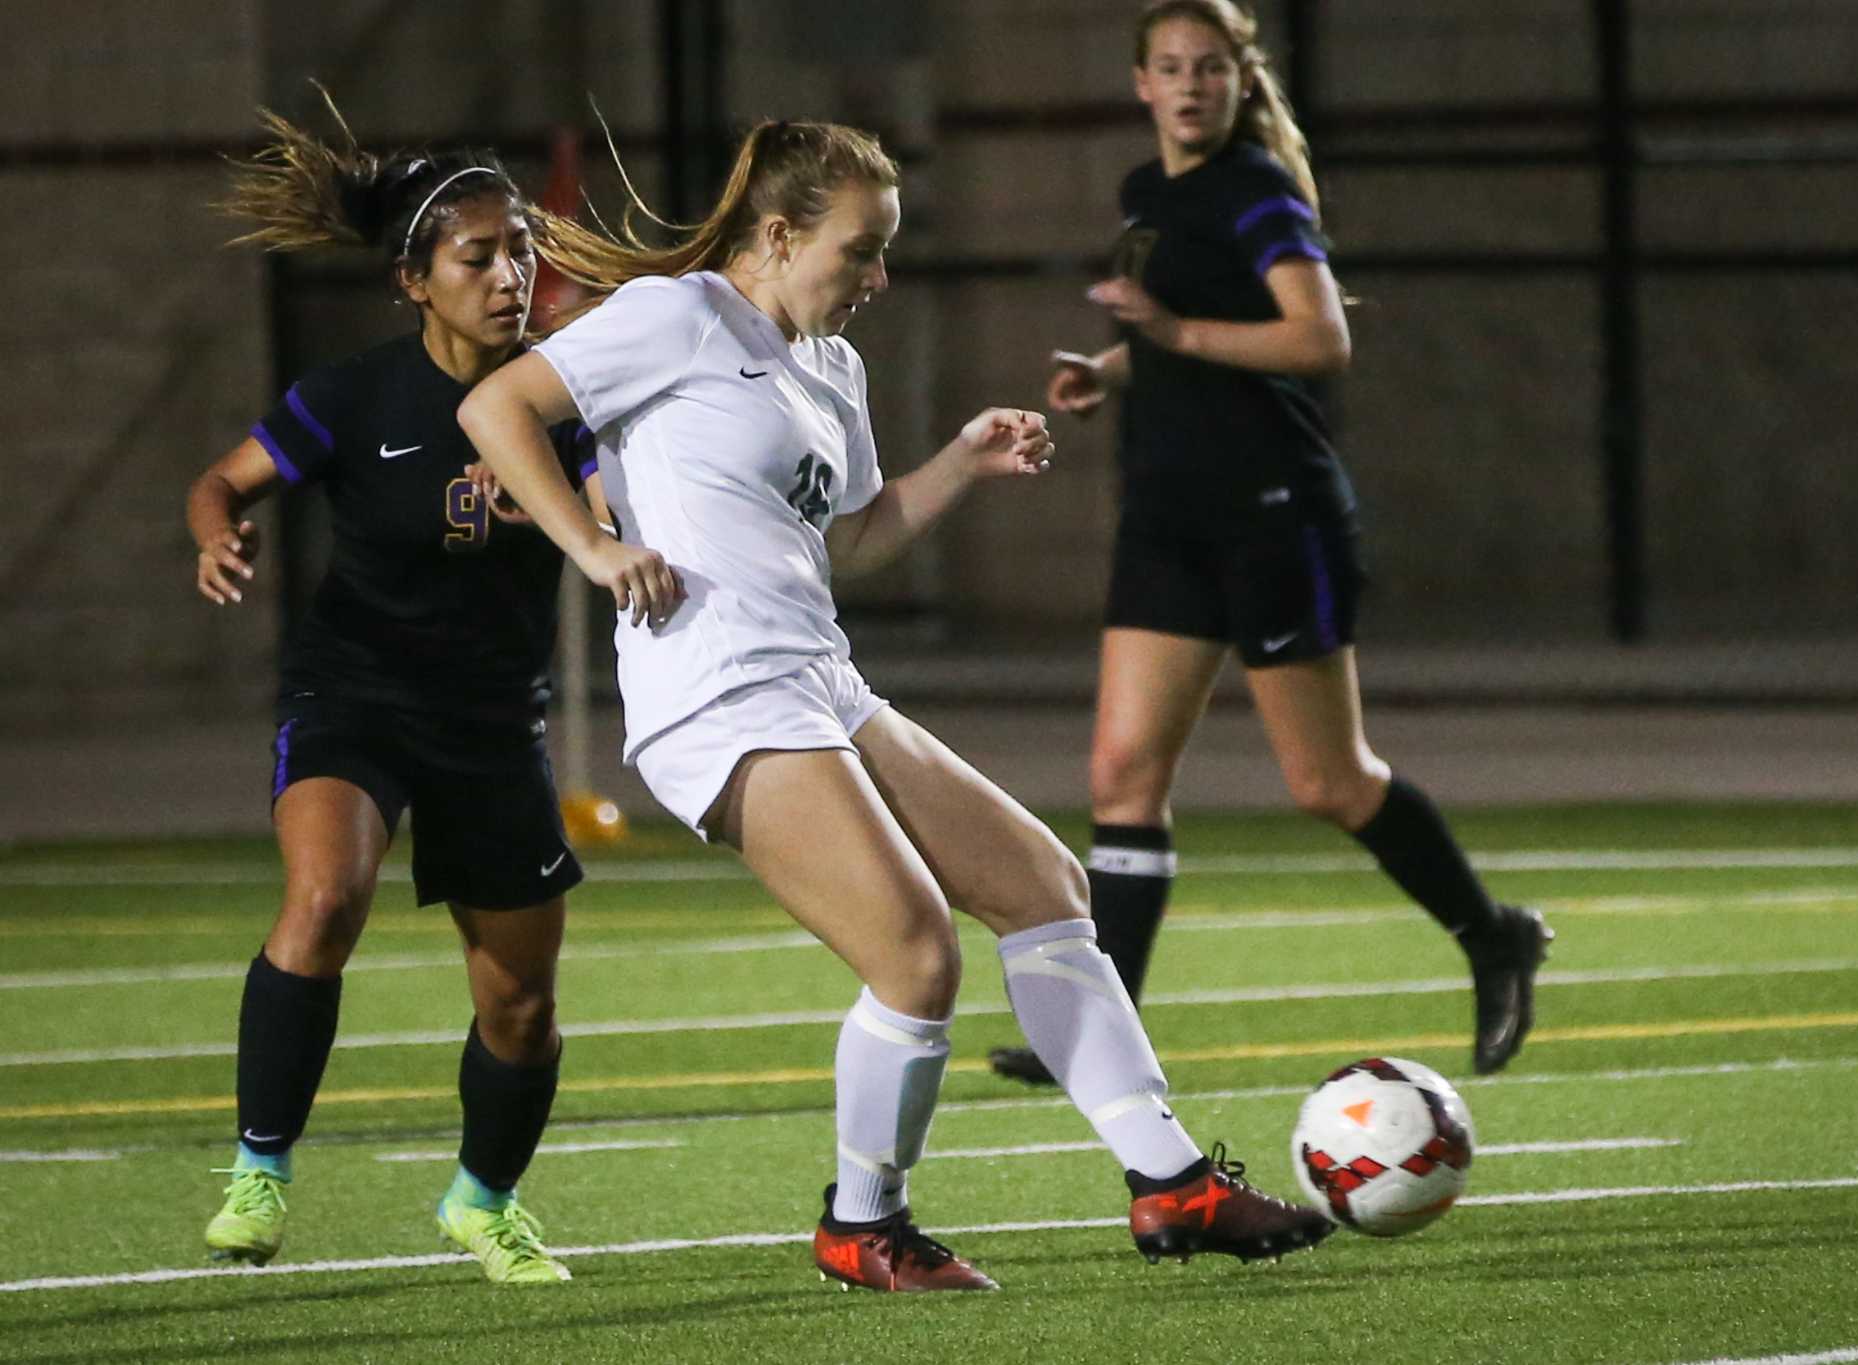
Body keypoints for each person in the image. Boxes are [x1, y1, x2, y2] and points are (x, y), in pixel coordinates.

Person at [458, 117, 1332, 1292]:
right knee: (915, 958)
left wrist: (961, 462)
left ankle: (1171, 1186)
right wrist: (596, 548)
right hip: (713, 694)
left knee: (1041, 885)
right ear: (777, 234)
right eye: (861, 251)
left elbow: (851, 542)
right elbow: (496, 409)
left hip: (815, 676)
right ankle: (860, 1227)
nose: (879, 277)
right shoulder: (675, 317)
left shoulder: (830, 362)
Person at [986, 0, 1552, 1089]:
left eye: (1209, 67)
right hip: (1167, 513)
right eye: (1169, 67)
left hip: (1270, 511)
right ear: (1140, 85)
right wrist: (1107, 373)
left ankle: (1492, 936)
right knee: (1120, 774)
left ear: (1239, 81)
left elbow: (1317, 336)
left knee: (1329, 784)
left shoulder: (1255, 192)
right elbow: (1171, 337)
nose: (1190, 85)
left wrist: (1170, 335)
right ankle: (1100, 1038)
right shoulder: (1145, 194)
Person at [185, 93, 601, 1284]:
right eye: (480, 256)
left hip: (491, 720)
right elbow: (220, 481)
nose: (511, 272)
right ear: (415, 281)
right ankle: (260, 1171)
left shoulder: (566, 398)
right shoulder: (354, 396)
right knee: (323, 903)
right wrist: (216, 534)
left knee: (520, 1008)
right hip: (353, 692)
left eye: (521, 247)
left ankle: (482, 1201)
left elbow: (620, 515)